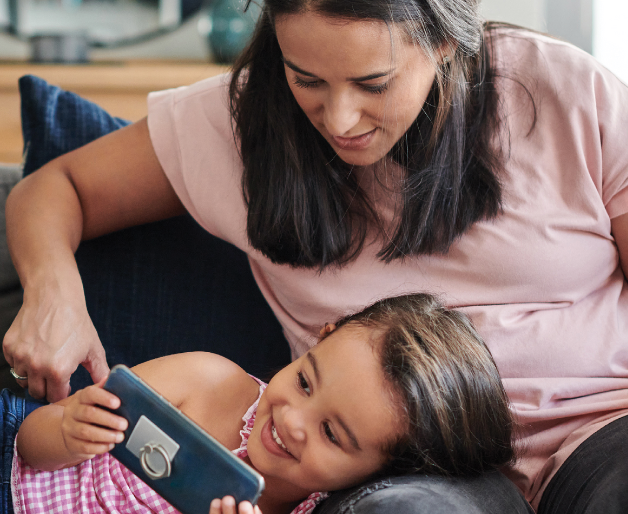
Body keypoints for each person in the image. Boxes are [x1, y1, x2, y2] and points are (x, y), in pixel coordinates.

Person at [3, 0, 628, 512]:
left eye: (372, 83)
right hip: (405, 468)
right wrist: (54, 293)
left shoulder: (561, 90)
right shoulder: (238, 124)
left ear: (444, 41)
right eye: (306, 78)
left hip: (602, 430)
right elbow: (58, 188)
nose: (340, 118)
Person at [1, 294, 515, 514]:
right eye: (307, 382)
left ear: (380, 471)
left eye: (332, 435)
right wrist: (68, 431)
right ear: (321, 338)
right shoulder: (209, 382)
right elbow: (29, 442)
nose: (291, 420)